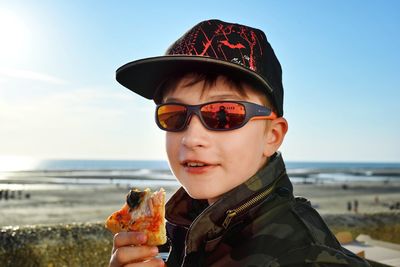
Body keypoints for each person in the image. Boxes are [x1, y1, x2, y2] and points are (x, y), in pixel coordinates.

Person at [109, 20, 370, 267]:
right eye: (175, 115)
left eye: (224, 114)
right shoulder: (180, 228)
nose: (192, 138)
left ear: (273, 136)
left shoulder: (305, 257)